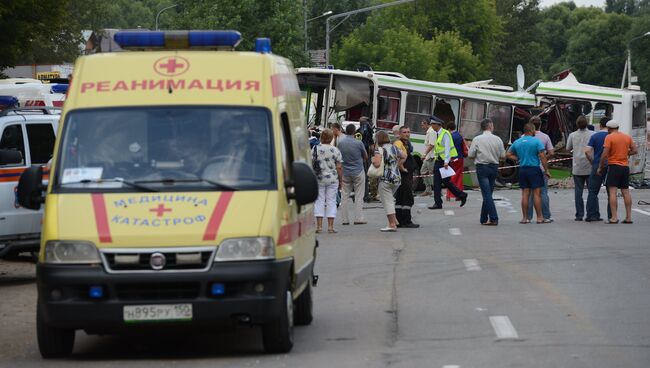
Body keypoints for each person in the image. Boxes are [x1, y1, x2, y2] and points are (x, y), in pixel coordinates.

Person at [507, 123, 551, 224]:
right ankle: (539, 217)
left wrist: (518, 158)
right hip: (534, 169)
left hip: (523, 169)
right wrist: (546, 170)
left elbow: (508, 154)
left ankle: (525, 218)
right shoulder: (537, 141)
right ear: (532, 130)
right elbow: (543, 157)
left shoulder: (517, 142)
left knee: (525, 194)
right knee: (536, 194)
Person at [597, 120, 638, 224]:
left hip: (614, 167)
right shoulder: (626, 137)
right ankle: (628, 217)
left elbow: (605, 154)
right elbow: (635, 150)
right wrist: (625, 153)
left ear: (609, 129)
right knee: (626, 192)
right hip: (625, 167)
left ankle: (614, 217)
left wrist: (600, 167)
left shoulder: (609, 137)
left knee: (612, 192)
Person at [467, 118, 505, 225]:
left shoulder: (477, 139)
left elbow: (470, 155)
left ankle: (494, 218)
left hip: (482, 168)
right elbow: (503, 156)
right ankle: (483, 218)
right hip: (494, 167)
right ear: (490, 126)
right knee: (488, 193)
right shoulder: (498, 139)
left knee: (486, 194)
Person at [427, 117, 467, 209]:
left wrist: (446, 162)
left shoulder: (445, 134)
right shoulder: (437, 133)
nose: (431, 126)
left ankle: (461, 195)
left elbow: (448, 148)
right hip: (439, 161)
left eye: (433, 124)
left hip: (444, 162)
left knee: (445, 182)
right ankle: (438, 202)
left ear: (438, 124)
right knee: (440, 182)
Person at [371, 130, 404, 232]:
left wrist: (373, 160)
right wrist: (397, 165)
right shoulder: (394, 147)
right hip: (396, 178)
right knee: (390, 199)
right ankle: (395, 220)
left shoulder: (379, 150)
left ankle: (392, 224)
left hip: (385, 178)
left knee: (388, 201)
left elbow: (376, 164)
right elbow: (404, 156)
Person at [313, 129, 343, 233]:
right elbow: (339, 167)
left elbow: (311, 162)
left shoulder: (315, 148)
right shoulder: (335, 150)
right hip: (332, 179)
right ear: (331, 138)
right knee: (331, 201)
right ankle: (330, 226)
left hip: (319, 178)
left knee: (319, 200)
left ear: (321, 137)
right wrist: (341, 180)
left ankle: (319, 226)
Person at [338, 123, 368, 226]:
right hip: (358, 171)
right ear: (354, 131)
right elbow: (366, 156)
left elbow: (339, 157)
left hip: (345, 171)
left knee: (344, 196)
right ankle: (358, 218)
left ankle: (344, 219)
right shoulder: (358, 143)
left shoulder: (340, 143)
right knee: (359, 195)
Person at [566, 115, 594, 221]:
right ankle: (591, 213)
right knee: (592, 191)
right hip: (590, 165)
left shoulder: (572, 135)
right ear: (587, 123)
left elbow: (568, 148)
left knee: (578, 191)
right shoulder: (593, 134)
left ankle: (579, 214)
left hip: (577, 166)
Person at [526, 116, 554, 222]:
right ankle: (546, 216)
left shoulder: (524, 137)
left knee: (528, 194)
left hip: (527, 167)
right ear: (540, 124)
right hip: (541, 168)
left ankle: (528, 217)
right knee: (543, 193)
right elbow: (551, 152)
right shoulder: (545, 137)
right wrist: (544, 159)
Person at [584, 117, 612, 222]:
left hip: (597, 164)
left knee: (593, 191)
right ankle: (611, 216)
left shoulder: (595, 136)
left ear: (600, 125)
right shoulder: (612, 136)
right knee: (611, 192)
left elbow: (587, 151)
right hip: (611, 165)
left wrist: (592, 161)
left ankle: (592, 215)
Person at [393, 126, 419, 228]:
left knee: (400, 198)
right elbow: (398, 157)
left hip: (405, 174)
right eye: (404, 132)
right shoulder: (399, 143)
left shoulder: (406, 143)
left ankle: (399, 220)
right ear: (399, 134)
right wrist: (402, 167)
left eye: (408, 132)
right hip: (403, 175)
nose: (407, 134)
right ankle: (406, 221)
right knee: (408, 197)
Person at [446, 121, 466, 201]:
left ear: (449, 129)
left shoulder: (450, 136)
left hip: (452, 159)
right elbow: (463, 147)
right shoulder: (459, 135)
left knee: (451, 177)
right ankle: (459, 194)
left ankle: (450, 194)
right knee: (459, 176)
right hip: (460, 158)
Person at [357, 116, 375, 202]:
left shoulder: (358, 131)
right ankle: (365, 195)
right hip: (366, 156)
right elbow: (371, 146)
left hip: (358, 156)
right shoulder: (369, 131)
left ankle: (360, 195)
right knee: (365, 176)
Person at [419, 118, 437, 196]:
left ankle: (436, 191)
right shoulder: (428, 132)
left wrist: (424, 154)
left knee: (432, 174)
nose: (422, 127)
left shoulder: (432, 132)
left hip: (431, 157)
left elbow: (431, 145)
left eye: (422, 125)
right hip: (428, 157)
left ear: (426, 124)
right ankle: (428, 189)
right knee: (423, 172)